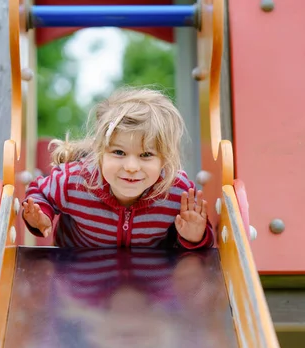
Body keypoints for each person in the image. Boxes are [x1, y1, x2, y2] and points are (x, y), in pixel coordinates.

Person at [21, 87, 214, 249]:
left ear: (164, 160)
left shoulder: (177, 192)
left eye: (146, 155)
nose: (131, 167)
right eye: (119, 153)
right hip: (79, 276)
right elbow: (40, 191)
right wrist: (40, 215)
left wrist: (194, 236)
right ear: (100, 152)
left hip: (148, 279)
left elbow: (202, 248)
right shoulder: (75, 181)